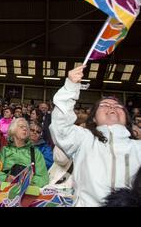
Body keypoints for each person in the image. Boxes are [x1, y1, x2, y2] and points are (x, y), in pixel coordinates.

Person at [50, 65, 141, 207]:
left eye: (118, 107)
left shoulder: (138, 147)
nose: (112, 107)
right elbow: (60, 127)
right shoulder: (84, 139)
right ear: (93, 118)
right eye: (104, 104)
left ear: (127, 119)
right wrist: (70, 87)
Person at [0, 118, 49, 188]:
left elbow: (44, 178)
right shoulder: (5, 150)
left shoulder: (35, 152)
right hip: (6, 190)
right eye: (21, 127)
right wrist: (6, 178)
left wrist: (29, 180)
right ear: (13, 129)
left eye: (26, 128)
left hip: (27, 192)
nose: (25, 129)